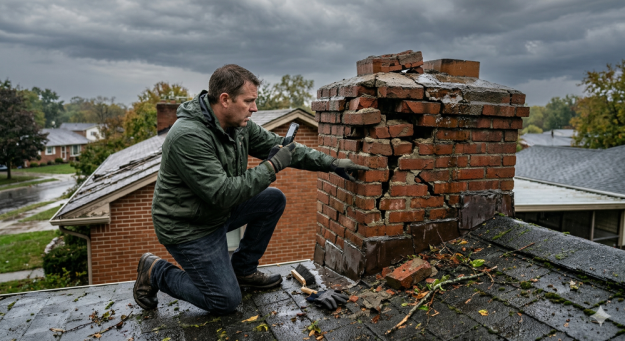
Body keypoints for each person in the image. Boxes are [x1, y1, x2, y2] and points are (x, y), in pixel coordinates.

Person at [133, 64, 369, 314]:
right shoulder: (188, 136)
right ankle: (154, 271)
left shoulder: (238, 126)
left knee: (272, 199)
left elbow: (284, 148)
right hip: (189, 227)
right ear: (225, 99)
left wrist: (332, 164)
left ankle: (242, 270)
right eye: (249, 101)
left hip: (215, 213)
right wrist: (271, 166)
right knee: (225, 301)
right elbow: (222, 193)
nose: (254, 108)